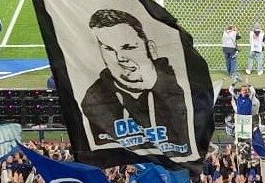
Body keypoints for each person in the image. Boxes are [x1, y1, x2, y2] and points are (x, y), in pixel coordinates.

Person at [78, 8, 188, 142]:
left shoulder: (181, 90)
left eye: (128, 47)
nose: (120, 58)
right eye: (109, 49)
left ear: (151, 49)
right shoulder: (94, 99)